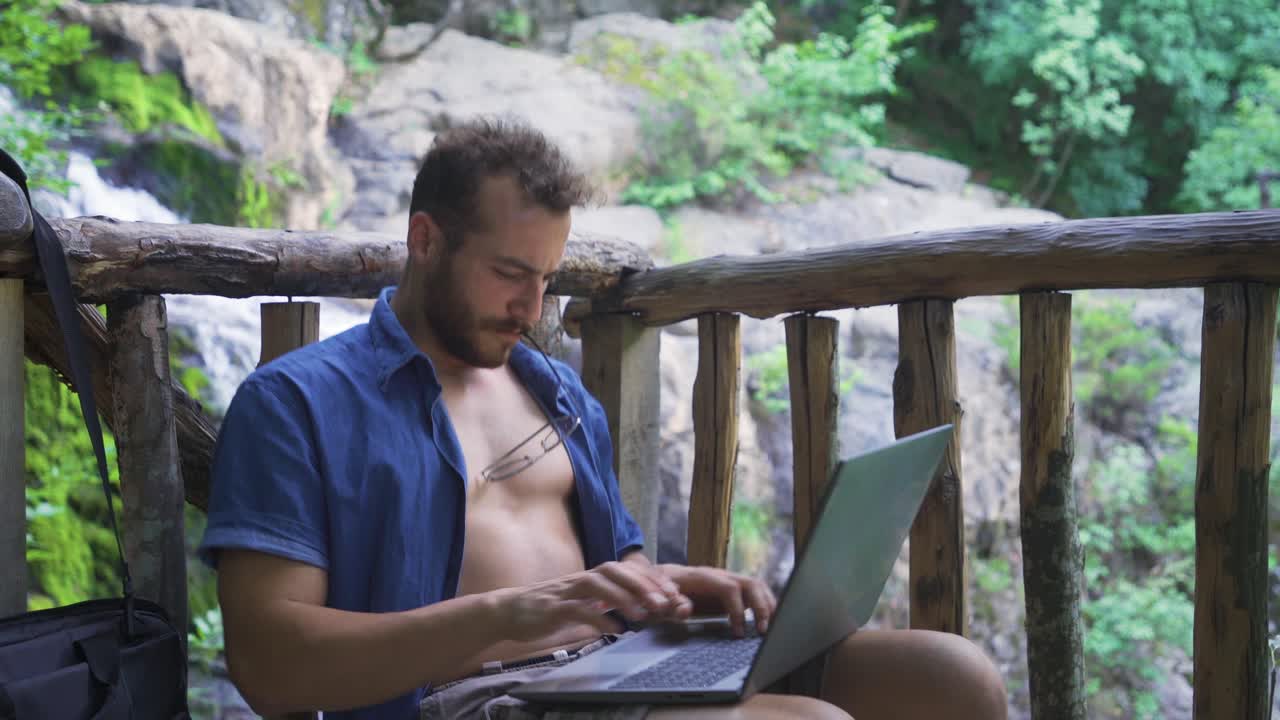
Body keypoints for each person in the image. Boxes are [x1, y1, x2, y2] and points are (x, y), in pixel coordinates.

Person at [199, 116, 1007, 720]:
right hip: (474, 698)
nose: (533, 306)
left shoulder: (555, 391)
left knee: (951, 679)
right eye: (510, 273)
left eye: (547, 277)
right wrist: (508, 614)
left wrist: (674, 589)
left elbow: (614, 572)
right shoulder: (298, 404)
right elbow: (272, 667)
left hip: (616, 667)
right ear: (424, 239)